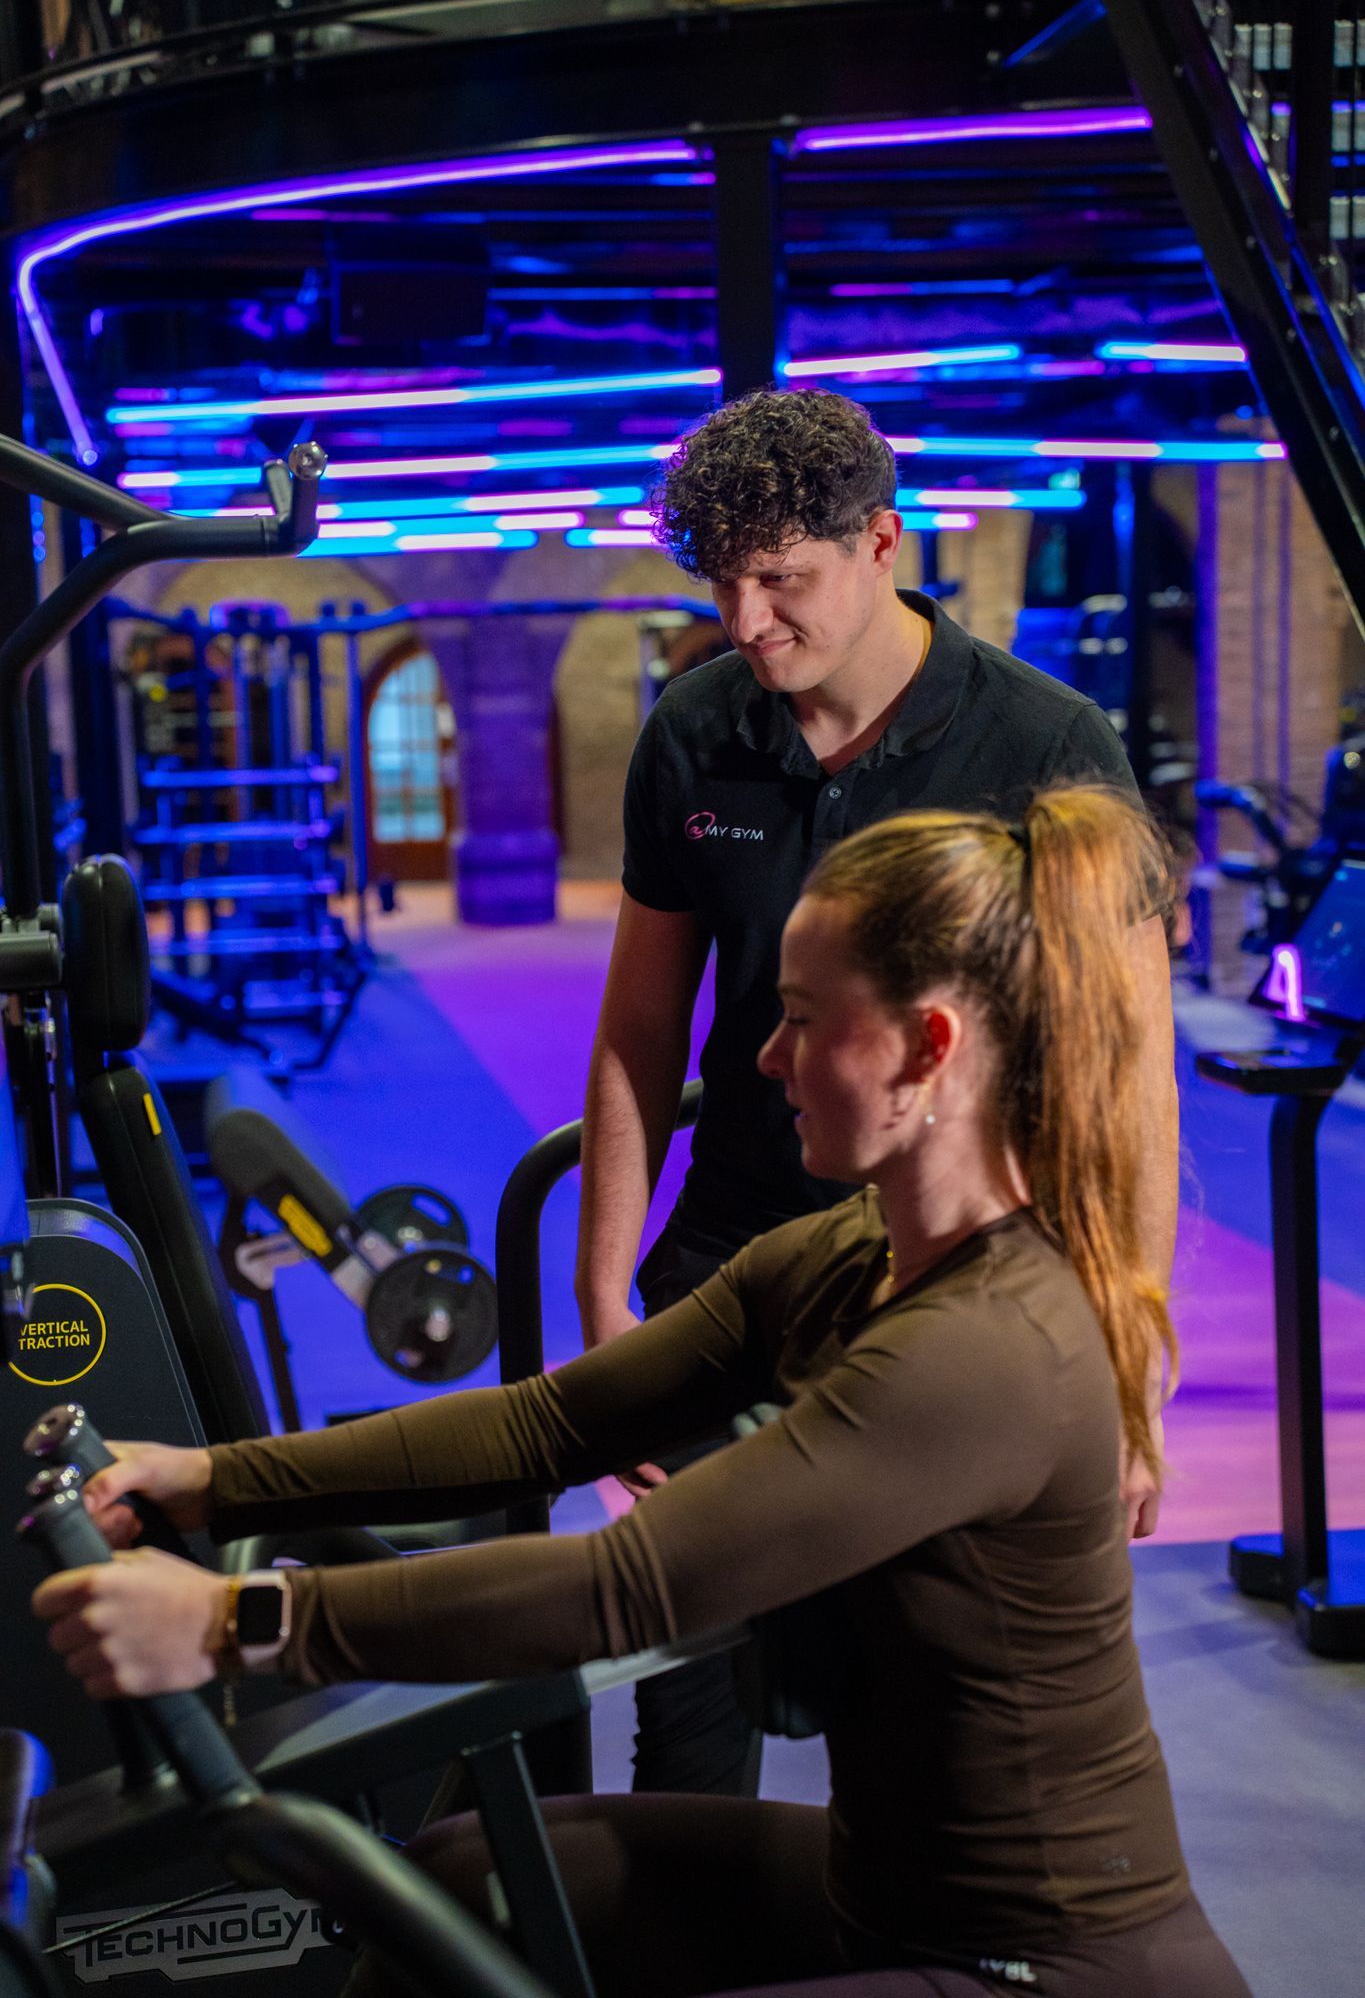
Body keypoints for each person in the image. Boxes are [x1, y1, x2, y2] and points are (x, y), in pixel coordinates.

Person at [34, 786, 1247, 1998]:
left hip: (1038, 1960)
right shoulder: (846, 1253)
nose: (769, 1056)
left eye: (805, 1020)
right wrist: (212, 1481)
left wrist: (231, 1626)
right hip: (883, 1892)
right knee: (463, 1880)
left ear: (927, 1048)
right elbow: (553, 1420)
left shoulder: (989, 1348)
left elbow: (624, 1586)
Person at [575, 385, 1178, 1793]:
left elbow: (1127, 1076)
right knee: (690, 1711)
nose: (744, 621)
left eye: (781, 581)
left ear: (883, 543)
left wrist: (1131, 1374)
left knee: (920, 1720)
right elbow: (636, 1035)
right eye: (721, 582)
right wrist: (609, 1305)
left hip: (954, 1280)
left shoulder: (1044, 747)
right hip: (734, 1266)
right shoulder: (695, 735)